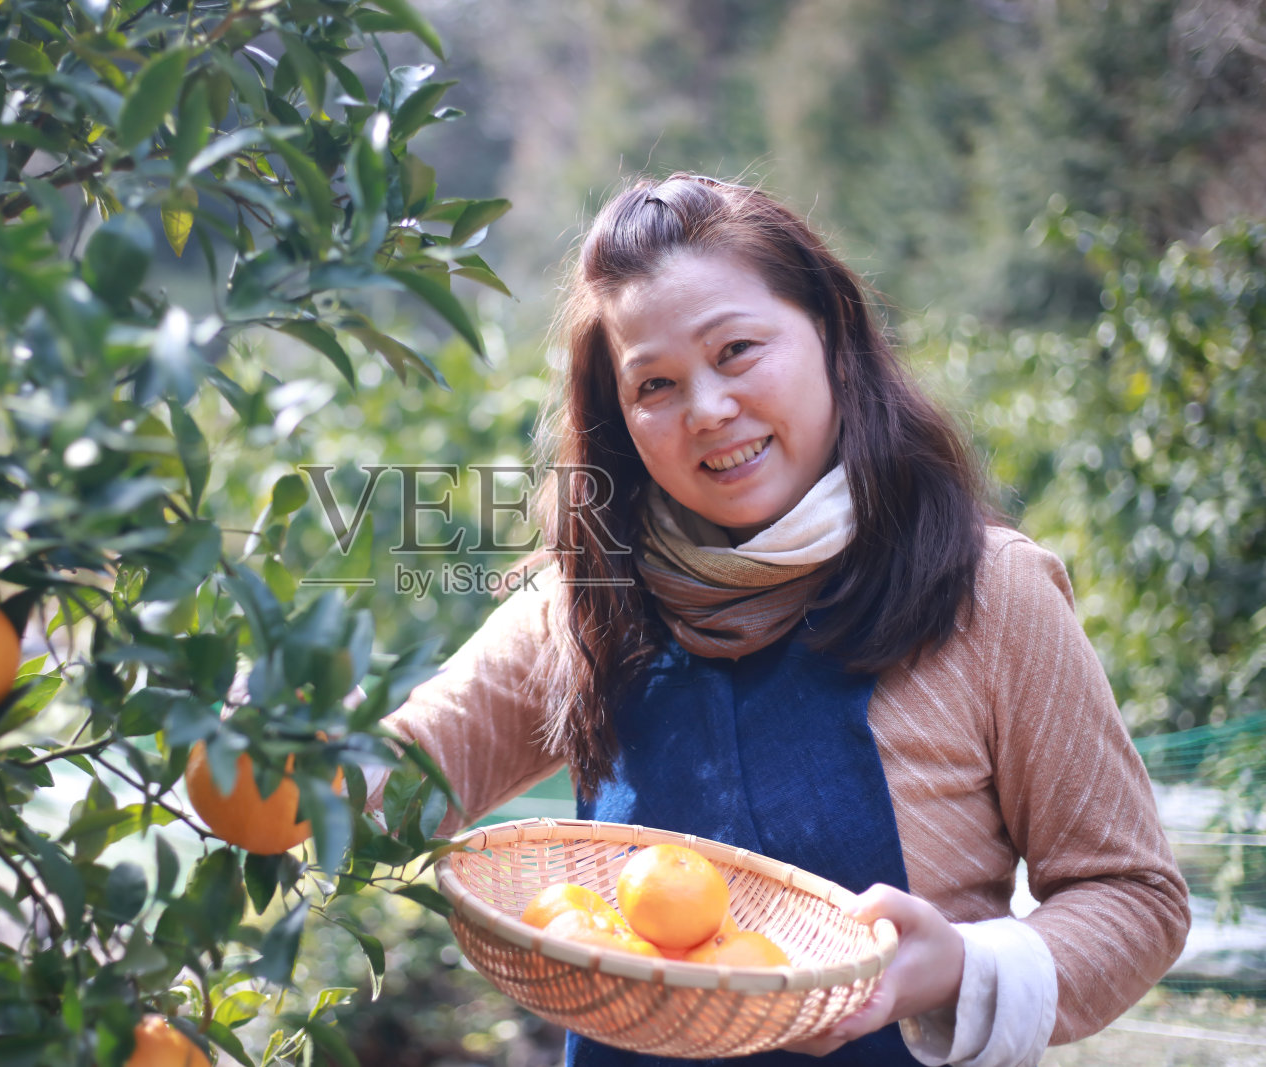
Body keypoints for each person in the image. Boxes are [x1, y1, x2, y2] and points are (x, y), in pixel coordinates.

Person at [382, 174, 1190, 1066]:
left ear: (831, 333)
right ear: (620, 416)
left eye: (736, 350)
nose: (708, 410)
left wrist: (957, 966)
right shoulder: (589, 607)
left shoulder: (989, 593)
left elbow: (1133, 895)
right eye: (655, 384)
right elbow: (397, 773)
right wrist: (240, 741)